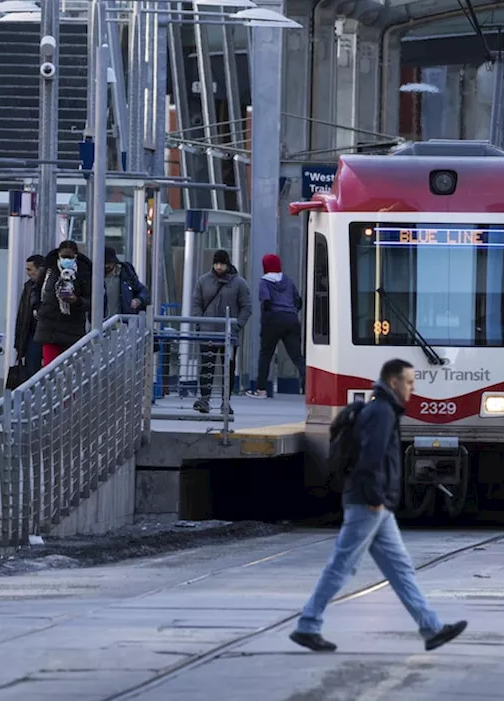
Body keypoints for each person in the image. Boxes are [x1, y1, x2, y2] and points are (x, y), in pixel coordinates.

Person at [289, 359, 467, 653]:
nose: (413, 388)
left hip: (376, 506)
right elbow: (370, 460)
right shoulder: (382, 412)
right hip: (368, 504)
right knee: (341, 567)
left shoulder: (382, 409)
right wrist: (374, 500)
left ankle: (431, 628)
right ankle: (307, 624)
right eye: (409, 382)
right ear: (394, 382)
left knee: (401, 569)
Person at [190, 250, 252, 414]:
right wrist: (199, 323)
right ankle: (204, 399)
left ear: (227, 264)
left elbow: (246, 307)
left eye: (222, 264)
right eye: (216, 264)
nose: (219, 267)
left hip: (229, 335)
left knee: (228, 369)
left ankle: (226, 401)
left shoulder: (239, 283)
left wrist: (237, 325)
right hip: (207, 333)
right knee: (206, 368)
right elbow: (196, 303)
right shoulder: (203, 281)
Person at [249, 253, 305, 397]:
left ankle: (261, 389)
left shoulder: (264, 282)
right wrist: (291, 312)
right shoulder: (287, 280)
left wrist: (268, 319)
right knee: (297, 356)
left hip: (273, 320)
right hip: (291, 319)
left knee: (266, 355)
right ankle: (308, 386)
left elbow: (266, 302)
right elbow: (298, 301)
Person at [35, 240, 93, 366]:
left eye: (70, 257)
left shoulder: (84, 273)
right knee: (50, 369)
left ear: (76, 256)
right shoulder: (49, 269)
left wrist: (76, 301)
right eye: (64, 256)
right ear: (58, 255)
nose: (67, 259)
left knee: (70, 370)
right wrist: (39, 309)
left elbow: (91, 300)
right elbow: (37, 289)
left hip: (73, 328)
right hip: (49, 328)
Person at [10, 254, 45, 388]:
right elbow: (22, 316)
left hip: (43, 334)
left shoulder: (47, 287)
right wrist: (19, 343)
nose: (27, 273)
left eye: (30, 269)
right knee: (31, 370)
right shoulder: (29, 287)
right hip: (31, 335)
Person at [102, 247, 150, 319]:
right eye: (105, 264)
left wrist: (138, 300)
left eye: (109, 263)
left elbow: (143, 291)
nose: (106, 266)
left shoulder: (126, 275)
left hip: (123, 322)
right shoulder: (97, 278)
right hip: (103, 322)